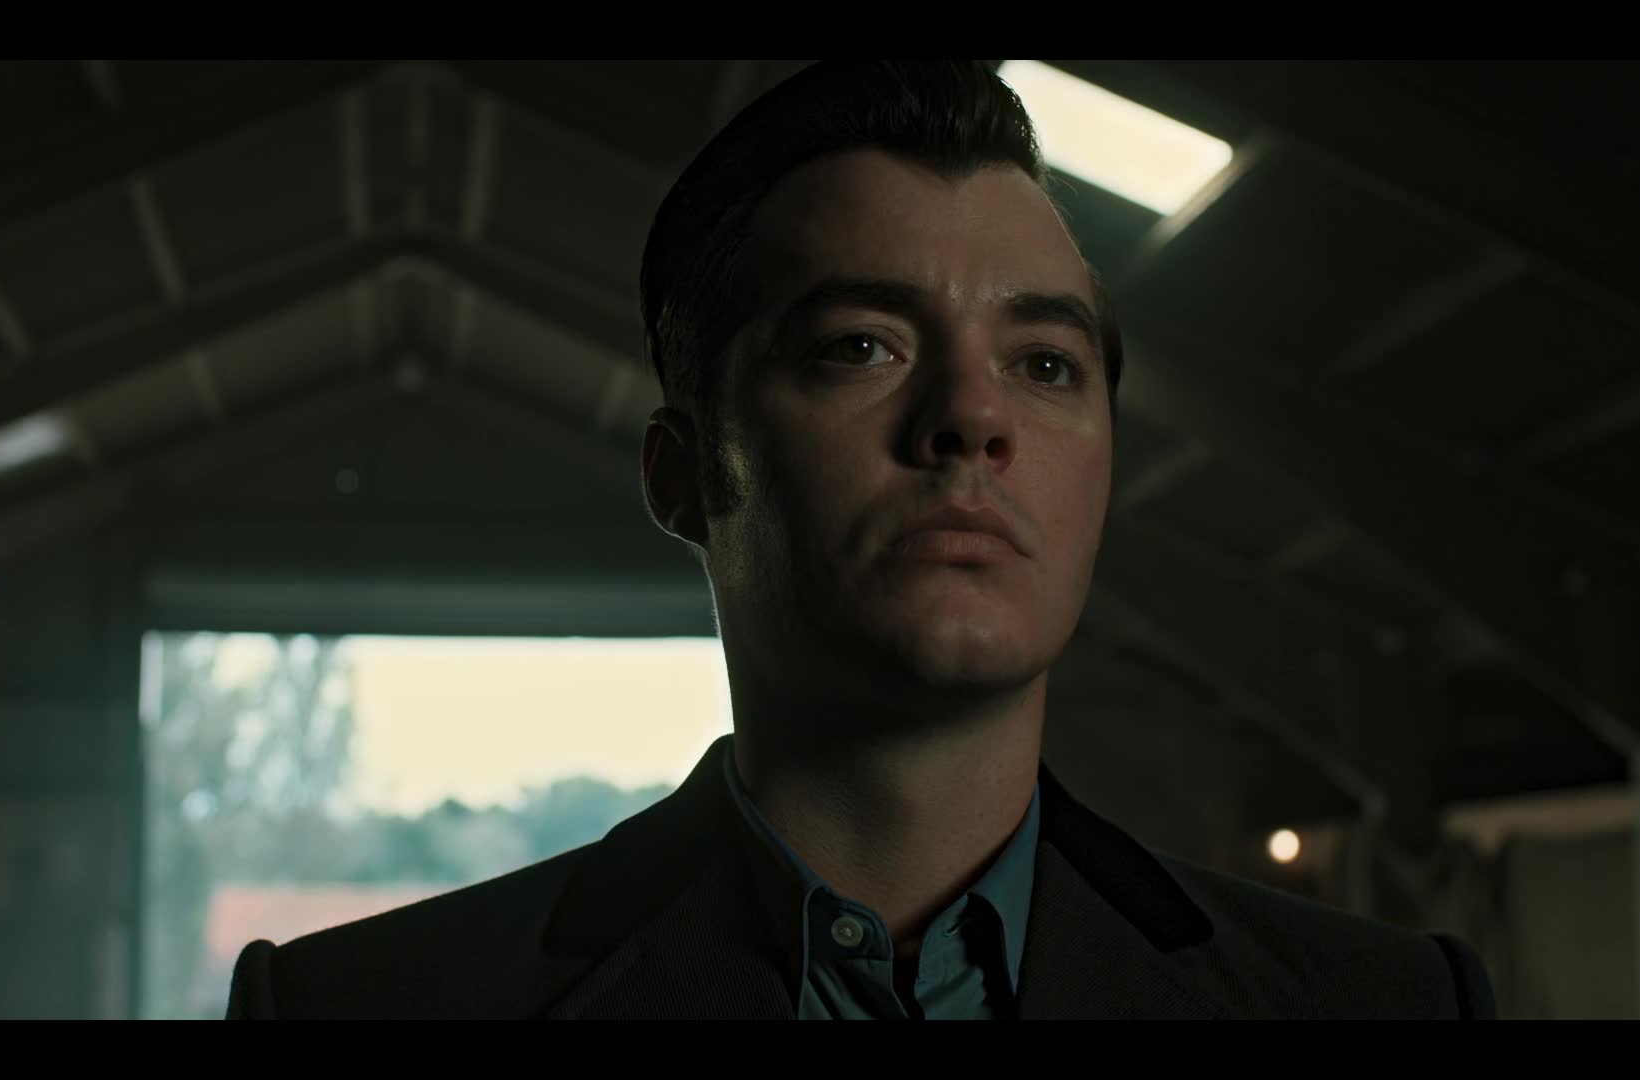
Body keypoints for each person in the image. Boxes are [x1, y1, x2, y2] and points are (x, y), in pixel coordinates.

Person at [225, 59, 1497, 1020]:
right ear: (683, 476)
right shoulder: (359, 1008)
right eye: (860, 347)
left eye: (1044, 363)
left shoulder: (1382, 1006)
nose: (972, 419)